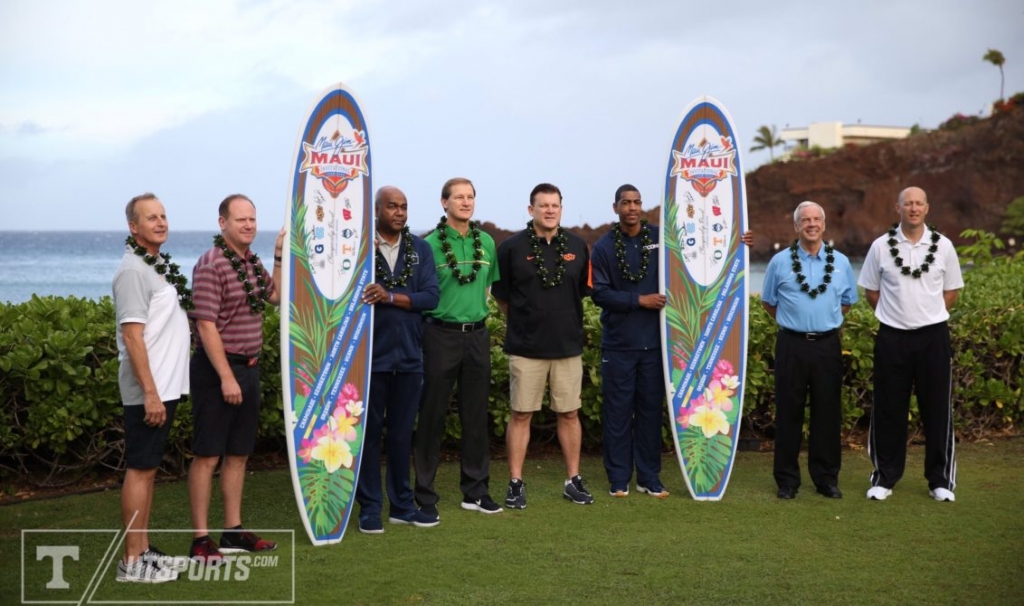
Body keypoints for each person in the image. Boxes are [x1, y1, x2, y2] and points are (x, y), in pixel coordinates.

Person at [592, 184, 753, 499]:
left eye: (637, 202)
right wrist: (640, 300)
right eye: (626, 203)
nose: (633, 207)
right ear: (615, 208)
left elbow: (702, 253)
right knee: (618, 414)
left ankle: (649, 478)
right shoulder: (603, 247)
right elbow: (599, 293)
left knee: (652, 413)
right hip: (619, 346)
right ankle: (619, 478)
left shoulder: (662, 238)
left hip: (658, 346)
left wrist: (739, 243)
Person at [188, 194, 285, 563]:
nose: (248, 225)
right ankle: (200, 540)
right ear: (222, 223)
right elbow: (206, 324)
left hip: (249, 367)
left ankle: (233, 531)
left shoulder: (250, 262)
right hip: (219, 371)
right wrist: (226, 377)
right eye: (241, 219)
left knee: (239, 454)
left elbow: (274, 296)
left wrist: (277, 255)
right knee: (208, 455)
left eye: (252, 220)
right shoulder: (212, 264)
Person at [858, 186, 963, 502]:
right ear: (898, 208)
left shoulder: (943, 246)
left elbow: (952, 289)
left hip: (933, 337)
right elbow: (871, 291)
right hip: (892, 337)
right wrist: (894, 316)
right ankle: (884, 477)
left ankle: (940, 480)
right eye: (908, 204)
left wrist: (931, 314)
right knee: (889, 409)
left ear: (927, 208)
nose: (913, 208)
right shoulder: (880, 246)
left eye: (919, 203)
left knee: (937, 409)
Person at [493, 183, 594, 508]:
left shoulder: (578, 246)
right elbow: (501, 295)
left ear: (561, 209)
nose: (549, 210)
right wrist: (528, 320)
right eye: (543, 205)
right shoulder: (510, 248)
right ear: (530, 209)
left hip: (568, 347)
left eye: (555, 205)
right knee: (521, 414)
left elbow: (580, 292)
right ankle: (515, 483)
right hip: (525, 347)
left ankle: (573, 480)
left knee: (569, 413)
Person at [413, 177, 503, 521]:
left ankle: (476, 492)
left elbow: (489, 291)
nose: (465, 202)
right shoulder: (428, 246)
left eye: (470, 197)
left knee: (476, 417)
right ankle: (425, 496)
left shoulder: (488, 243)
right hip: (439, 336)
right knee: (432, 417)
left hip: (478, 336)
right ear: (443, 203)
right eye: (459, 197)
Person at [112, 193, 191, 583]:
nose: (160, 222)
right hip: (149, 391)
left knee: (149, 470)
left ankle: (143, 549)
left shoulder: (157, 264)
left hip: (166, 387)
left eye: (163, 215)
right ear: (133, 227)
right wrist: (150, 392)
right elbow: (132, 336)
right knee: (140, 470)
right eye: (150, 217)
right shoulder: (132, 271)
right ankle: (131, 562)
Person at [355, 186, 440, 534]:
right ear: (377, 210)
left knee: (403, 435)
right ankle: (371, 508)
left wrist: (389, 296)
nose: (400, 213)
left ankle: (402, 506)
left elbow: (431, 297)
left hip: (409, 357)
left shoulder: (420, 249)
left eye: (404, 207)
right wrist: (364, 264)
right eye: (392, 207)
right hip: (369, 359)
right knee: (370, 435)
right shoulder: (359, 249)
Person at [761, 201, 857, 500]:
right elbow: (768, 302)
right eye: (805, 220)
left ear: (824, 225)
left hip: (827, 345)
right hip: (791, 344)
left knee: (827, 413)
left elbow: (847, 301)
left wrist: (823, 321)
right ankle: (787, 481)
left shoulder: (840, 262)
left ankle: (826, 478)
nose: (811, 224)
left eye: (816, 219)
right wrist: (795, 323)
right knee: (789, 412)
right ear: (796, 226)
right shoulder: (779, 262)